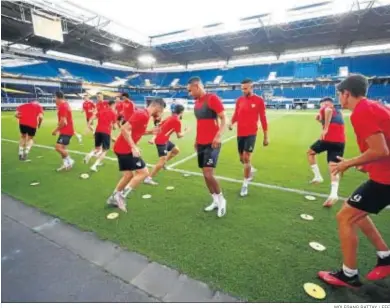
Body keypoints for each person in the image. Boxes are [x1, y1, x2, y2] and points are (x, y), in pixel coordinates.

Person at [318, 74, 390, 288]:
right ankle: (385, 256)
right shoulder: (373, 106)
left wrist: (347, 163)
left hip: (386, 179)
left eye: (339, 94)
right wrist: (366, 163)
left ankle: (348, 274)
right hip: (383, 174)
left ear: (346, 94)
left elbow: (380, 149)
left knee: (345, 217)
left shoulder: (361, 112)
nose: (339, 98)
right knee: (357, 213)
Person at [106, 99, 166, 212]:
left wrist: (150, 132)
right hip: (125, 149)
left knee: (128, 175)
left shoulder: (145, 115)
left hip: (121, 148)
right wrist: (134, 147)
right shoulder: (142, 114)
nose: (161, 114)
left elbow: (136, 131)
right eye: (162, 111)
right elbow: (124, 129)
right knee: (143, 173)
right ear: (158, 107)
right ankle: (120, 196)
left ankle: (113, 197)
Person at [187, 77, 227, 218]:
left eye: (190, 90)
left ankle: (222, 200)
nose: (190, 94)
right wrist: (196, 139)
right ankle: (215, 200)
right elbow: (200, 124)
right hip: (201, 142)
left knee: (209, 173)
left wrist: (218, 136)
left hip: (212, 143)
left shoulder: (212, 98)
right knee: (205, 174)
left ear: (197, 86)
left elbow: (223, 118)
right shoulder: (196, 103)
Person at [229, 78, 268, 197]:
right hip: (240, 133)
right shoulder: (239, 100)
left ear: (252, 87)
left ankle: (245, 185)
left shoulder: (259, 100)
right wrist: (231, 122)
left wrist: (266, 137)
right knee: (242, 159)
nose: (243, 90)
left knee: (246, 157)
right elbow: (236, 114)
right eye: (242, 88)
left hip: (251, 133)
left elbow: (263, 119)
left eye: (245, 88)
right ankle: (250, 170)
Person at [307, 97, 345, 207]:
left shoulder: (326, 107)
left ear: (326, 103)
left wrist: (326, 128)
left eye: (321, 104)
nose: (321, 107)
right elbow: (330, 119)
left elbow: (327, 111)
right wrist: (321, 121)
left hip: (328, 139)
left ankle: (318, 176)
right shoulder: (338, 112)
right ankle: (334, 194)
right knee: (333, 167)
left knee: (310, 153)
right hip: (340, 141)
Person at [144, 104, 189, 185]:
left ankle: (163, 164)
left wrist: (153, 138)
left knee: (176, 151)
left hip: (164, 139)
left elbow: (159, 125)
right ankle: (148, 178)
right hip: (161, 141)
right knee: (162, 160)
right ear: (181, 112)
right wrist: (186, 131)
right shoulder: (177, 121)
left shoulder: (170, 117)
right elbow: (179, 136)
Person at [84, 100, 117, 172]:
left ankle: (89, 154)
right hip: (106, 132)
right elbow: (115, 127)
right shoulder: (113, 113)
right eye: (115, 105)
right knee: (105, 150)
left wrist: (88, 126)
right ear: (113, 105)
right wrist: (113, 126)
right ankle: (95, 165)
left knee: (97, 148)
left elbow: (92, 118)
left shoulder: (102, 111)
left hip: (98, 131)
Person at [52, 91, 75, 171]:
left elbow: (63, 122)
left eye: (54, 97)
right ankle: (66, 164)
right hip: (67, 130)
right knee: (62, 148)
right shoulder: (65, 104)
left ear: (57, 97)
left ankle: (70, 160)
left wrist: (55, 130)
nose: (54, 99)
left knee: (58, 148)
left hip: (66, 131)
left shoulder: (63, 106)